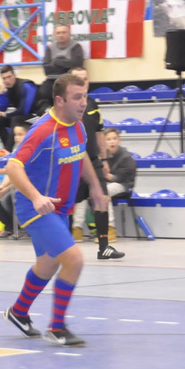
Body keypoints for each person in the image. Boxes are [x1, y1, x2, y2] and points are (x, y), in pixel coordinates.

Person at [3, 73, 109, 347]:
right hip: (36, 208)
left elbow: (81, 153)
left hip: (60, 208)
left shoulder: (78, 126)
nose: (83, 102)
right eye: (77, 97)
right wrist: (36, 197)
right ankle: (57, 327)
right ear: (60, 100)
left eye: (84, 96)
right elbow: (13, 166)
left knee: (48, 265)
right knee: (74, 259)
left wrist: (95, 187)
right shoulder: (43, 131)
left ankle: (18, 312)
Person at [68, 67, 124, 260]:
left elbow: (99, 132)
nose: (82, 82)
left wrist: (104, 158)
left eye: (85, 79)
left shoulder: (92, 105)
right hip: (73, 163)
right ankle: (64, 247)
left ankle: (104, 247)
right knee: (69, 204)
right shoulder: (63, 106)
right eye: (78, 79)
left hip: (93, 161)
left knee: (102, 199)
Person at [37, 25, 85, 110]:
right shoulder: (50, 48)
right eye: (58, 33)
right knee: (42, 92)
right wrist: (65, 64)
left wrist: (56, 62)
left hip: (69, 80)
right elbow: (46, 69)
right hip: (51, 80)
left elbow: (76, 64)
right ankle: (47, 112)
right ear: (55, 34)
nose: (61, 35)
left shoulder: (76, 46)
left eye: (64, 32)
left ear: (69, 33)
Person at [0, 65, 40, 151]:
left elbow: (24, 110)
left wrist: (7, 115)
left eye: (9, 77)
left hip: (38, 117)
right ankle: (7, 150)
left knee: (15, 119)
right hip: (23, 118)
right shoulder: (9, 89)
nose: (7, 80)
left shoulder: (27, 85)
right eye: (4, 78)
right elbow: (2, 109)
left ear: (14, 75)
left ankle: (7, 150)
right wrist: (0, 93)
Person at [103, 128, 137, 200]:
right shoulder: (102, 155)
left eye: (114, 139)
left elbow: (121, 179)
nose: (112, 142)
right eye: (108, 139)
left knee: (104, 192)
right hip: (106, 183)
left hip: (122, 185)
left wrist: (105, 174)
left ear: (119, 140)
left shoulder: (126, 157)